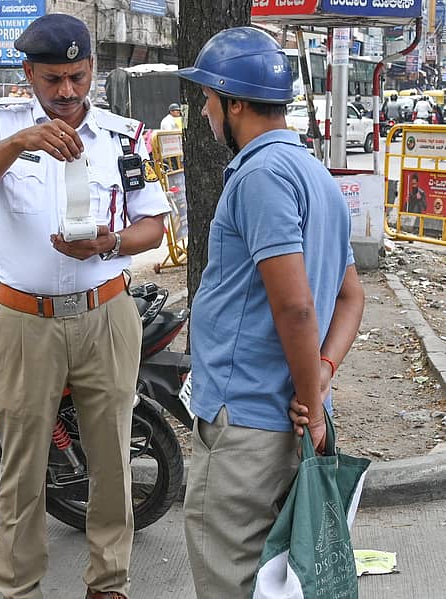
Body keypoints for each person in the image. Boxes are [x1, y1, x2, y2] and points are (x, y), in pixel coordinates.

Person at [0, 14, 169, 599]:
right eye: (53, 79)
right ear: (28, 75)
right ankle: (19, 587)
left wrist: (110, 243)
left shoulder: (124, 136)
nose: (67, 92)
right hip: (25, 321)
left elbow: (154, 226)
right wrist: (20, 141)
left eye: (77, 76)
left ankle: (109, 583)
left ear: (93, 69)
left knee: (111, 461)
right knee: (22, 467)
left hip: (107, 313)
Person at [175, 27, 364, 598]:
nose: (205, 113)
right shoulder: (313, 173)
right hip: (290, 417)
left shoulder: (260, 176)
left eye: (208, 99)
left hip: (251, 424)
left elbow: (296, 307)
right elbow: (352, 296)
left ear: (234, 102)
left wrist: (313, 399)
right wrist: (322, 380)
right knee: (276, 579)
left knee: (231, 577)